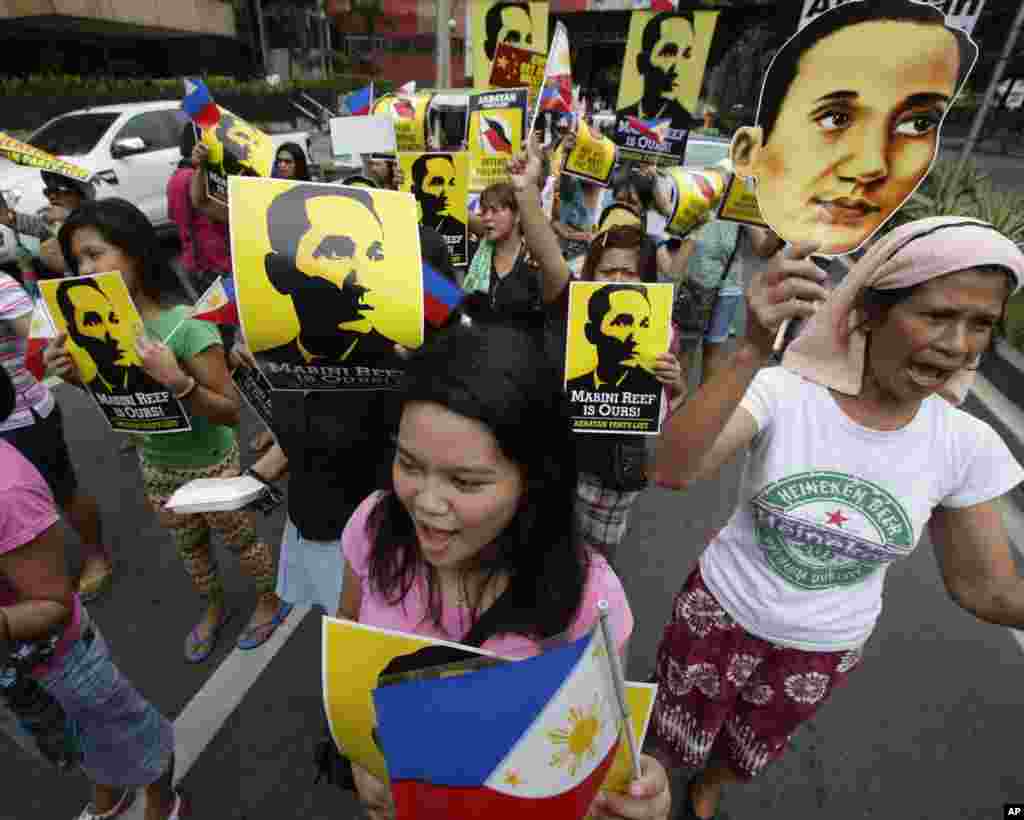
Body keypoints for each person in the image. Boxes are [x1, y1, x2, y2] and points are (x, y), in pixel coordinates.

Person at [650, 217, 1024, 819]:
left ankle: (708, 791)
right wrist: (749, 348)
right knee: (667, 737)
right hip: (718, 612)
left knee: (744, 750)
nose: (958, 345)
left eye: (980, 324)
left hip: (821, 651)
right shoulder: (785, 392)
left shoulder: (965, 445)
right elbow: (671, 470)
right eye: (936, 315)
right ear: (870, 311)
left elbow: (988, 588)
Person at [336, 320, 667, 820]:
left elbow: (601, 756)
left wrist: (631, 798)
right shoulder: (373, 525)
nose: (424, 503)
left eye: (465, 482)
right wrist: (365, 763)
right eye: (409, 464)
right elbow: (351, 667)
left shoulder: (587, 597)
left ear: (532, 481)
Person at [43, 199, 291, 663]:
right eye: (77, 259)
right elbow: (126, 408)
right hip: (155, 465)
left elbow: (228, 412)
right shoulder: (96, 335)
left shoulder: (186, 326)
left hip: (212, 465)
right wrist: (79, 378)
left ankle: (268, 601)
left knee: (240, 540)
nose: (84, 267)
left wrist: (179, 381)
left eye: (96, 254)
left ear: (134, 253)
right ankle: (213, 605)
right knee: (189, 546)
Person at [0, 363, 185, 820]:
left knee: (126, 731)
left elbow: (53, 607)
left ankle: (162, 800)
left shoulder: (7, 493)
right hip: (13, 672)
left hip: (56, 660)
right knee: (71, 738)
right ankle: (109, 790)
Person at [506, 136, 687, 566]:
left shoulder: (664, 332)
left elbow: (669, 412)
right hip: (551, 462)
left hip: (611, 476)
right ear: (591, 274)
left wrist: (676, 386)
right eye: (609, 271)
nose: (619, 279)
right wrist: (526, 190)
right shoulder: (569, 303)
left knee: (592, 570)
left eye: (630, 271)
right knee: (536, 564)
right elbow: (548, 255)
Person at [730, 0, 976, 256]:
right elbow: (761, 248)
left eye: (918, 124)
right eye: (835, 118)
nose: (871, 166)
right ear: (747, 151)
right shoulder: (727, 192)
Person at [0, 272, 112, 603]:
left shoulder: (2, 286)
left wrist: (50, 351)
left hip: (24, 416)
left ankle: (96, 555)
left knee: (62, 490)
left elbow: (44, 338)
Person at [54, 277, 163, 396]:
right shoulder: (89, 383)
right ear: (75, 335)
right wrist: (73, 378)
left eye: (113, 318)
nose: (113, 334)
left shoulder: (153, 376)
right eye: (93, 322)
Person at [566, 283, 664, 397]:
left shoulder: (655, 390)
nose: (636, 338)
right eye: (623, 323)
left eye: (644, 324)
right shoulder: (571, 388)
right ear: (591, 333)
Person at [617, 11, 700, 132]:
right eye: (669, 52)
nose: (678, 67)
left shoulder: (684, 122)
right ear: (642, 62)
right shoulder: (623, 117)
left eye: (686, 54)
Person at [410, 153, 467, 240]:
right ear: (416, 190)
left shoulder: (462, 230)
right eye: (437, 182)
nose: (446, 191)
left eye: (451, 183)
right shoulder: (409, 230)